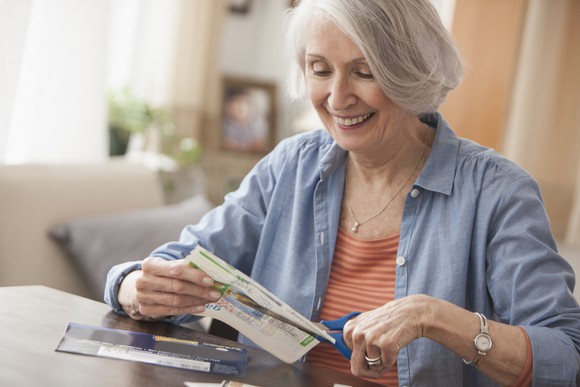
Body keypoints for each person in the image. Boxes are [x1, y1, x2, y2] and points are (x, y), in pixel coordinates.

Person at [105, 0, 580, 385]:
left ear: (410, 71)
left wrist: (434, 316)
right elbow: (175, 262)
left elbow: (567, 354)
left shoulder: (497, 192)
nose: (336, 98)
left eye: (364, 71)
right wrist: (134, 288)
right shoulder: (291, 165)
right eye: (319, 69)